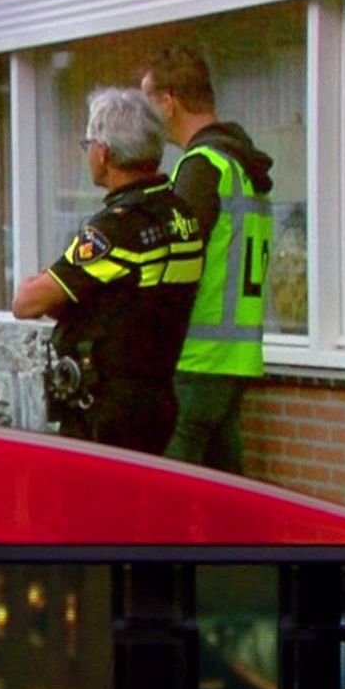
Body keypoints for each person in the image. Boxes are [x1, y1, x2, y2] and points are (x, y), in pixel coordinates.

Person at [13, 86, 206, 454]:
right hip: (159, 398)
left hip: (106, 416)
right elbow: (130, 295)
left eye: (89, 145)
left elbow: (26, 302)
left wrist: (51, 289)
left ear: (103, 154)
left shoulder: (117, 227)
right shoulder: (181, 215)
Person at [140, 46, 274, 474]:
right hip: (235, 359)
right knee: (223, 490)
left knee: (167, 492)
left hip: (195, 360)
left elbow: (175, 263)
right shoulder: (241, 165)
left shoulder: (201, 167)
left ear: (169, 102)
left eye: (147, 102)